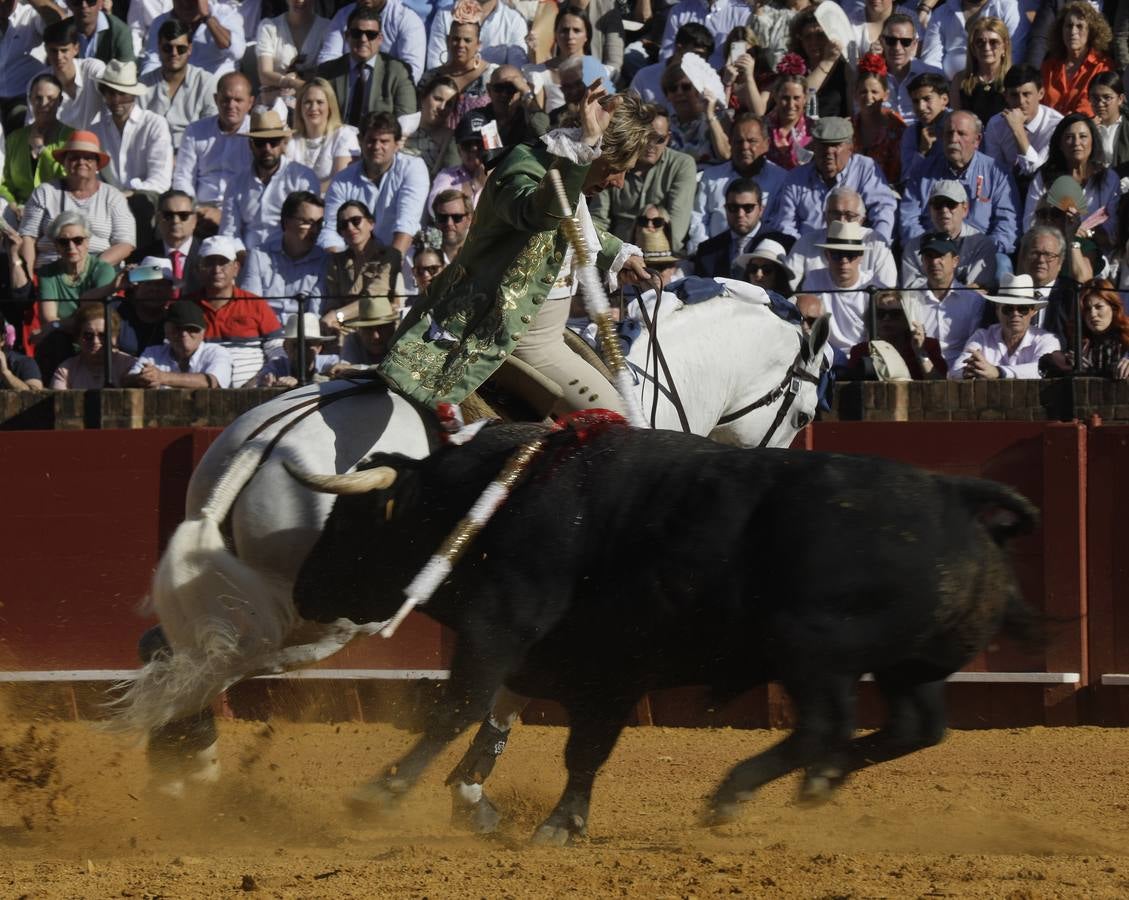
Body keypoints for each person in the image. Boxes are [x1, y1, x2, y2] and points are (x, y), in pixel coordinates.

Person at [378, 86, 652, 413]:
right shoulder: (525, 165)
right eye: (614, 168)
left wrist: (619, 252)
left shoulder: (562, 163)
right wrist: (587, 145)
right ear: (597, 151)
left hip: (550, 332)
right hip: (522, 340)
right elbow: (541, 215)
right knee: (616, 421)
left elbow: (575, 223)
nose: (618, 182)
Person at [898, 110, 1019, 255]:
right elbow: (908, 219)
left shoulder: (997, 173)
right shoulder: (923, 171)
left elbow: (1007, 226)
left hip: (981, 252)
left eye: (961, 134)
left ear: (977, 140)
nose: (954, 139)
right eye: (949, 133)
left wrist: (982, 250)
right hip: (931, 252)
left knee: (1002, 265)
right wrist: (930, 247)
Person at [769, 116, 898, 243]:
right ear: (814, 147)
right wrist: (803, 249)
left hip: (854, 250)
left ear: (850, 147)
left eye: (835, 145)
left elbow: (883, 209)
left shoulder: (865, 168)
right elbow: (785, 224)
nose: (828, 151)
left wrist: (877, 244)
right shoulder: (796, 178)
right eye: (823, 145)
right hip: (807, 252)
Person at [322, 111, 429, 258]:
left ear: (397, 144)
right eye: (371, 140)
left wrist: (388, 268)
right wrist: (338, 268)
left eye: (384, 141)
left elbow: (406, 223)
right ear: (360, 141)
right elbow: (331, 230)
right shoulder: (342, 179)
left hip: (401, 257)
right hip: (353, 259)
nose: (376, 146)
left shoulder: (413, 168)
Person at [589, 107, 697, 251]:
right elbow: (597, 221)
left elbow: (676, 230)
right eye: (647, 138)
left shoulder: (682, 165)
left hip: (663, 256)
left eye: (659, 139)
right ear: (636, 136)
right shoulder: (616, 161)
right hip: (615, 254)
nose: (651, 145)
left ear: (668, 138)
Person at [90, 58, 174, 241]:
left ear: (134, 95)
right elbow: (92, 176)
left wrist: (124, 195)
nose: (116, 100)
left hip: (141, 203)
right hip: (106, 203)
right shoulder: (95, 130)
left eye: (123, 94)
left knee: (142, 204)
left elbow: (160, 181)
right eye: (111, 93)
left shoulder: (154, 124)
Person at [219, 109, 319, 253]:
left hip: (291, 257)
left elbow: (308, 227)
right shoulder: (236, 183)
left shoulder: (302, 177)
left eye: (273, 142)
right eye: (260, 142)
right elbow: (229, 232)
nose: (267, 148)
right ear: (251, 145)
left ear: (283, 143)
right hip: (247, 259)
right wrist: (246, 260)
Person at [189, 235, 284, 387]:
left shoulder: (255, 304)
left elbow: (277, 349)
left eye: (223, 263)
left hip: (255, 393)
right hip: (199, 394)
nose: (216, 270)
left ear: (236, 268)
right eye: (209, 263)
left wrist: (261, 379)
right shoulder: (186, 306)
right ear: (198, 269)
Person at [690, 114, 787, 251]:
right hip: (715, 256)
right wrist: (704, 253)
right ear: (730, 143)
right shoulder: (711, 177)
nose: (744, 147)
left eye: (752, 141)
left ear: (766, 144)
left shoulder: (781, 179)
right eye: (738, 141)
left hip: (762, 257)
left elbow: (779, 224)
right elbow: (698, 219)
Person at [172, 72, 253, 228]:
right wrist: (194, 210)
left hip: (241, 214)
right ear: (216, 99)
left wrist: (225, 215)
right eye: (226, 99)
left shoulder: (257, 134)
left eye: (238, 100)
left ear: (250, 103)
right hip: (200, 211)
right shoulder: (196, 131)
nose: (231, 105)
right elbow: (183, 177)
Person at [1022, 113, 1118, 245]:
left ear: (1093, 141)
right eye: (1069, 137)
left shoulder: (1108, 178)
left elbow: (1114, 231)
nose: (1076, 143)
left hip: (1097, 252)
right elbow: (1029, 224)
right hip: (1054, 250)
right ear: (1060, 144)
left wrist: (1086, 233)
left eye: (1083, 136)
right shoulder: (1044, 176)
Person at [798, 220, 882, 366]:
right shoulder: (813, 279)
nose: (844, 261)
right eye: (837, 254)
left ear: (860, 256)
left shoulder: (873, 284)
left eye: (850, 255)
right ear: (827, 255)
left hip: (864, 356)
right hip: (826, 355)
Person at [315, 7, 416, 128]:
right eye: (357, 33)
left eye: (371, 34)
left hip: (379, 142)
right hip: (336, 140)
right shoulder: (328, 71)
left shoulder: (399, 72)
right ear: (347, 36)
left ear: (380, 39)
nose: (363, 39)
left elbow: (405, 120)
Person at [951, 275, 1061, 379]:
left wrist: (998, 372)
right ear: (997, 310)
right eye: (1008, 309)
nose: (1015, 314)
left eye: (1023, 309)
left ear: (1033, 312)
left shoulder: (1047, 340)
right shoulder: (981, 337)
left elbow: (1042, 369)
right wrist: (969, 371)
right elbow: (954, 372)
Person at [903, 231, 986, 368]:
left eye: (940, 255)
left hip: (962, 371)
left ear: (955, 261)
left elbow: (975, 345)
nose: (934, 262)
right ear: (922, 262)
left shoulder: (974, 300)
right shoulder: (909, 299)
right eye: (929, 256)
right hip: (920, 369)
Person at [240, 190, 327, 320]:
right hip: (264, 333)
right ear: (286, 222)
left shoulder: (324, 260)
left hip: (304, 335)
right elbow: (251, 308)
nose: (314, 230)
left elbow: (315, 314)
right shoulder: (259, 256)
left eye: (318, 224)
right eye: (307, 222)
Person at [784, 186, 897, 286]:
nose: (842, 221)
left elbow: (886, 290)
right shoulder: (806, 241)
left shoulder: (876, 242)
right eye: (835, 214)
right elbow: (788, 285)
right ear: (825, 216)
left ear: (862, 220)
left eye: (849, 215)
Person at [139, 18, 220, 152]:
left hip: (192, 155)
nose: (174, 54)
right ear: (159, 48)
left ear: (190, 49)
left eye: (181, 48)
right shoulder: (143, 84)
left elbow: (210, 132)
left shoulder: (207, 83)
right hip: (151, 154)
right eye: (167, 48)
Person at [322, 200, 401, 332]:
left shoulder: (389, 256)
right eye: (343, 224)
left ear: (371, 223)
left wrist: (337, 316)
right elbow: (332, 302)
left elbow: (373, 298)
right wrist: (335, 319)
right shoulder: (337, 262)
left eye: (356, 220)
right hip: (344, 329)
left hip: (379, 330)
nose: (350, 227)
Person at [901, 180, 997, 288]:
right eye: (938, 204)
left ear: (965, 209)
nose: (944, 210)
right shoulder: (914, 247)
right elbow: (912, 292)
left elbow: (975, 293)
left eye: (951, 204)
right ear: (930, 210)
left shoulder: (981, 245)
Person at [0, 74, 71, 215]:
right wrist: (13, 205)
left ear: (60, 101)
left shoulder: (71, 138)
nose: (44, 104)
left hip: (58, 209)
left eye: (50, 99)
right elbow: (5, 183)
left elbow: (68, 180)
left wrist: (40, 149)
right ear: (30, 100)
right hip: (20, 210)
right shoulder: (15, 138)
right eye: (38, 98)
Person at [124, 298, 233, 389]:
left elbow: (212, 382)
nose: (184, 334)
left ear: (203, 332)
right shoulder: (152, 353)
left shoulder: (217, 352)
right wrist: (142, 378)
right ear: (166, 330)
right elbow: (126, 381)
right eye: (177, 328)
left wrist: (161, 377)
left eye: (191, 329)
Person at [982, 65, 1063, 186]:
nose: (1021, 101)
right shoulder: (996, 124)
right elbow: (993, 171)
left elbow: (1036, 172)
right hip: (1005, 187)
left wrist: (1017, 129)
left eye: (1027, 94)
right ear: (1006, 96)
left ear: (1041, 93)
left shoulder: (1056, 125)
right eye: (1014, 95)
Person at [522, 5, 608, 115]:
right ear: (555, 34)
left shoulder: (598, 71)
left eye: (576, 30)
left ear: (587, 35)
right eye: (564, 30)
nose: (570, 36)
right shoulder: (538, 73)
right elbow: (539, 117)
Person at [845, 289, 947, 380]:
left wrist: (920, 353)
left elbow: (940, 385)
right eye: (880, 313)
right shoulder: (861, 351)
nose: (886, 319)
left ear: (908, 317)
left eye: (895, 314)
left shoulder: (928, 346)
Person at [317, 0, 427, 83]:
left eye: (371, 35)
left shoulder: (407, 20)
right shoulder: (342, 16)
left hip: (388, 94)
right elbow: (327, 61)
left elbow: (412, 71)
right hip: (345, 87)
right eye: (356, 33)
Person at [1041, 278, 1129, 378]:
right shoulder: (1081, 343)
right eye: (1087, 309)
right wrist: (1057, 361)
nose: (1093, 314)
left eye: (1099, 307)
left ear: (1113, 308)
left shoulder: (1125, 340)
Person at [0, 0, 63, 137]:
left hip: (24, 97)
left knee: (19, 117)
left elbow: (59, 24)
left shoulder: (30, 15)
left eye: (6, 2)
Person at [1040, 1, 1114, 117]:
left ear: (1091, 31)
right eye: (1068, 26)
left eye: (1080, 26)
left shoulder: (1102, 66)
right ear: (1061, 30)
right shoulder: (1049, 66)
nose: (1073, 32)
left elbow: (1088, 109)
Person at [286, 79, 360, 194]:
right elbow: (283, 181)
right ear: (300, 107)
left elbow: (340, 180)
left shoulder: (344, 135)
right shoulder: (291, 140)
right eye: (308, 102)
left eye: (320, 102)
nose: (313, 108)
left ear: (330, 106)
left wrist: (303, 196)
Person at [421, 18, 495, 130]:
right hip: (436, 143)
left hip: (479, 144)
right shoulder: (430, 77)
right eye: (456, 39)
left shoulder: (492, 76)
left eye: (467, 40)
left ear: (478, 44)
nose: (461, 44)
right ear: (447, 40)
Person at [255, 0, 331, 109]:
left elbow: (327, 71)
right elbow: (264, 74)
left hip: (312, 102)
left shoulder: (327, 27)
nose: (299, 1)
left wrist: (302, 81)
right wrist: (292, 83)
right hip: (273, 101)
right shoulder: (268, 27)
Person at [920, 0, 1021, 81]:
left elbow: (1014, 53)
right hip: (947, 90)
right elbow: (931, 60)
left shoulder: (1008, 6)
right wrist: (942, 90)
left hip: (998, 87)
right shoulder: (942, 12)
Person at [141, 0, 245, 79]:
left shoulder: (226, 15)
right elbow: (152, 63)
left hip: (217, 91)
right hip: (175, 90)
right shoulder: (160, 22)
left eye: (192, 0)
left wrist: (207, 18)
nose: (186, 5)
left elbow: (237, 52)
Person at [50, 301, 137, 388]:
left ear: (115, 338)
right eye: (88, 335)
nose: (95, 341)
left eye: (103, 335)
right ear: (78, 338)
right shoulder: (66, 370)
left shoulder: (131, 366)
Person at [661, 61, 730, 168]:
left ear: (700, 90)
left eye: (686, 87)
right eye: (673, 88)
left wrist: (710, 115)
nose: (679, 92)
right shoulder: (665, 126)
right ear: (667, 96)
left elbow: (725, 155)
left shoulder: (719, 118)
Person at [425, 0, 529, 72]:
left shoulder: (514, 21)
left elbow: (517, 70)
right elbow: (435, 64)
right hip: (451, 91)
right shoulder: (445, 14)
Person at [692, 178, 765, 278]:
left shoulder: (780, 244)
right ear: (725, 209)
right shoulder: (706, 251)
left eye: (748, 207)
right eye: (733, 208)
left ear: (761, 209)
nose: (740, 214)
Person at [42, 18, 106, 130]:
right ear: (46, 50)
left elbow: (112, 95)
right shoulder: (39, 84)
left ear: (76, 49)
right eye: (53, 51)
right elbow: (35, 126)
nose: (58, 57)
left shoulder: (93, 69)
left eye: (64, 50)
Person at [788, 7, 851, 119]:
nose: (814, 42)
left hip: (834, 132)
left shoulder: (844, 68)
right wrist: (826, 62)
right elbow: (799, 98)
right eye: (808, 37)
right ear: (800, 40)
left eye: (820, 35)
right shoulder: (793, 67)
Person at [852, 52, 905, 185]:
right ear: (855, 95)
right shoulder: (847, 127)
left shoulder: (898, 128)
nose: (869, 97)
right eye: (863, 92)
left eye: (874, 92)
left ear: (885, 95)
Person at [427, 108, 491, 215]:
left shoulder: (500, 176)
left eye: (480, 144)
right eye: (468, 144)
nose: (474, 149)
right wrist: (474, 184)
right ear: (459, 150)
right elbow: (435, 208)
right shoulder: (447, 176)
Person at [881, 12, 941, 124]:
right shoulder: (871, 76)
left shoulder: (931, 75)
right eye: (891, 41)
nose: (897, 47)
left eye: (905, 42)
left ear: (914, 44)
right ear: (882, 41)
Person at [253, 312, 340, 386]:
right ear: (285, 347)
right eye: (295, 344)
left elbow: (345, 368)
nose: (301, 350)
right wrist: (268, 380)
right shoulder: (276, 366)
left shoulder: (331, 362)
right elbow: (263, 377)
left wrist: (341, 370)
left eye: (307, 344)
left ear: (318, 347)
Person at [113, 256, 176, 357]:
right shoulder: (116, 310)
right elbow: (85, 307)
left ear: (170, 292)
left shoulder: (175, 319)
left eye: (161, 284)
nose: (154, 289)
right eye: (149, 283)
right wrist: (112, 287)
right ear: (136, 287)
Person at [951, 17, 1010, 125]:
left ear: (1005, 46)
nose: (987, 48)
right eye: (980, 42)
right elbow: (957, 123)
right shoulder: (960, 80)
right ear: (973, 48)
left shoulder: (1013, 78)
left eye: (994, 42)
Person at [400, 75, 460, 179]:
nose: (442, 107)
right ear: (423, 97)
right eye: (438, 99)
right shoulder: (402, 125)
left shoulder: (450, 138)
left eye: (449, 104)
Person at [481, 65, 550, 152]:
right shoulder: (478, 118)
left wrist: (526, 92)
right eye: (498, 88)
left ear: (520, 91)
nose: (504, 94)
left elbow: (544, 134)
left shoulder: (528, 119)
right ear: (489, 89)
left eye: (511, 88)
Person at [899, 72, 950, 180]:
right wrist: (922, 152)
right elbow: (907, 177)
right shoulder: (912, 133)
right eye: (915, 101)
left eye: (927, 99)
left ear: (944, 99)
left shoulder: (962, 126)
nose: (921, 107)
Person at [763, 69, 812, 171]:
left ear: (805, 98)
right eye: (785, 98)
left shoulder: (813, 129)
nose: (791, 105)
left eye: (796, 98)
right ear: (775, 97)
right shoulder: (761, 127)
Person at [62, 0, 134, 65]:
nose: (84, 5)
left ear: (101, 2)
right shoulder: (62, 30)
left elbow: (126, 71)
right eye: (77, 1)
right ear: (68, 3)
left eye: (91, 1)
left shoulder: (120, 32)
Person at [338, 294, 400, 366]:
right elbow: (344, 369)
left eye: (381, 328)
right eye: (368, 329)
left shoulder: (402, 341)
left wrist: (356, 369)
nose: (375, 336)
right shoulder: (353, 340)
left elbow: (397, 370)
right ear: (359, 330)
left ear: (392, 327)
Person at [1088, 72, 1129, 169]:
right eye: (1094, 98)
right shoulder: (1085, 128)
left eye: (1107, 98)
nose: (1100, 104)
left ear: (1120, 99)